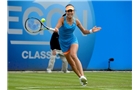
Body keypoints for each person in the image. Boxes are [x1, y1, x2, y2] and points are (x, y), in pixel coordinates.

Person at [54, 4, 101, 86]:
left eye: (71, 10)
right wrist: (56, 29)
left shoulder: (76, 21)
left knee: (73, 55)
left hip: (73, 40)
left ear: (73, 12)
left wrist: (91, 31)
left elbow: (84, 31)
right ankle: (81, 78)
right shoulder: (62, 20)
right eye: (68, 11)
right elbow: (57, 27)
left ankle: (83, 75)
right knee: (71, 64)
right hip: (63, 43)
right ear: (66, 12)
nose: (69, 12)